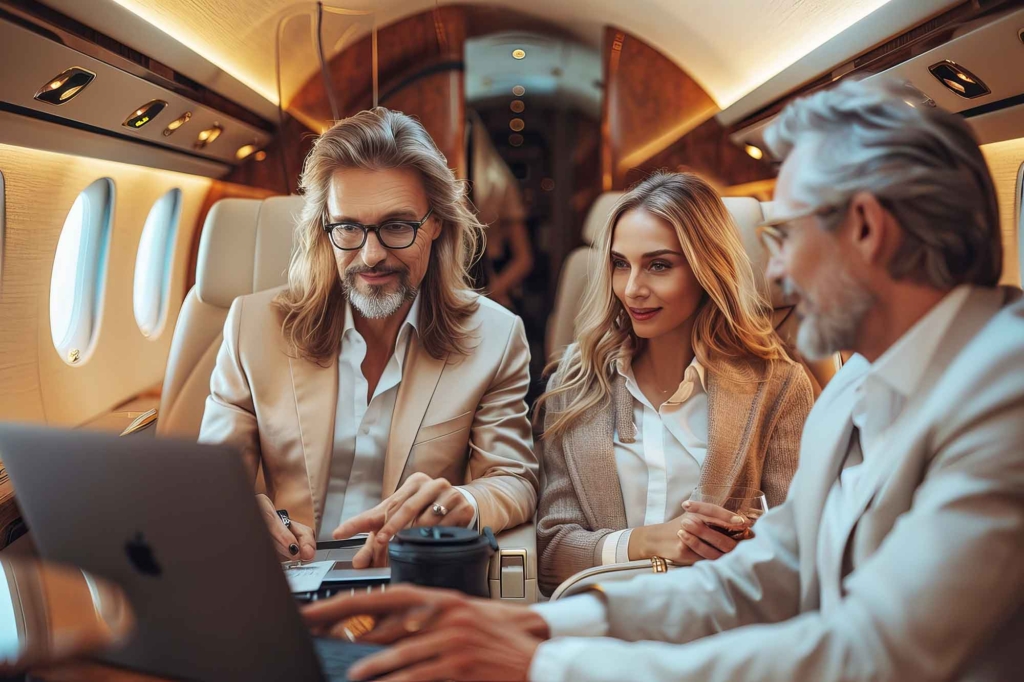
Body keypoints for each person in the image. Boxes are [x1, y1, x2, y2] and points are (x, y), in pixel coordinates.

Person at [302, 78, 1024, 682]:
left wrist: (547, 664)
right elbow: (766, 574)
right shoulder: (856, 391)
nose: (773, 272)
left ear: (866, 229)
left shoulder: (1006, 399)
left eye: (786, 236)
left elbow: (875, 653)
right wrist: (534, 624)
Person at [198, 107, 539, 568]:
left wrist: (463, 504)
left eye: (397, 226)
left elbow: (513, 480)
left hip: (412, 582)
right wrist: (238, 510)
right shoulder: (251, 327)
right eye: (349, 228)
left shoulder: (496, 337)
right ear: (326, 228)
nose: (372, 255)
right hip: (286, 581)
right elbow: (211, 482)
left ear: (435, 223)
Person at [535, 172, 812, 594]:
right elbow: (552, 552)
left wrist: (754, 542)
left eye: (659, 265)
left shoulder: (779, 385)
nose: (632, 289)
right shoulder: (575, 379)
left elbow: (803, 541)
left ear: (706, 269)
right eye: (620, 264)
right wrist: (648, 543)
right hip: (601, 627)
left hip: (720, 630)